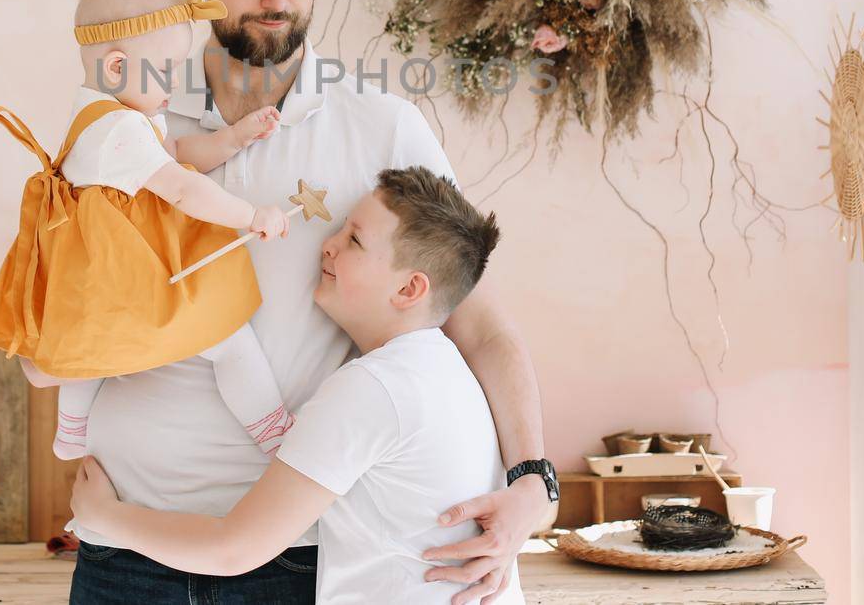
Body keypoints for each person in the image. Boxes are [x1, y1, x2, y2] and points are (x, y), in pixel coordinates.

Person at [69, 0, 554, 605]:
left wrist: (534, 479)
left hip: (294, 560)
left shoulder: (381, 127)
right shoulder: (129, 116)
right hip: (121, 548)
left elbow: (480, 325)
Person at [71, 166, 526, 605]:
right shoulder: (444, 372)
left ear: (409, 289)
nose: (328, 246)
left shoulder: (374, 389)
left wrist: (104, 516)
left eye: (354, 240)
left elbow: (235, 549)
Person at [0, 0, 298, 457]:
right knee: (228, 333)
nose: (176, 82)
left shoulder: (108, 120)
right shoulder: (119, 131)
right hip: (135, 274)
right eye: (166, 70)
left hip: (105, 279)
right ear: (117, 67)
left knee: (96, 352)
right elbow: (182, 187)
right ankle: (271, 427)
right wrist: (251, 215)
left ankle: (73, 428)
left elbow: (176, 154)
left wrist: (231, 139)